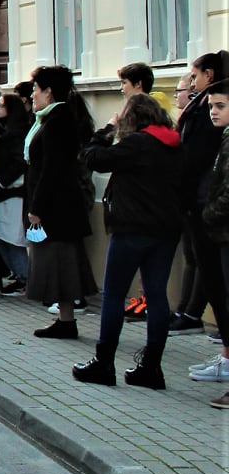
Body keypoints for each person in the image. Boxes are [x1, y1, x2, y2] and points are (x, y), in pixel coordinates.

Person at [72, 93, 184, 388]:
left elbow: (92, 158)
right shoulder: (174, 144)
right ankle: (151, 368)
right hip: (166, 231)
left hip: (132, 229)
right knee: (157, 295)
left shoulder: (137, 143)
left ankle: (104, 363)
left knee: (113, 294)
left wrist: (108, 130)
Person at [25, 64, 96, 338]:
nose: (32, 95)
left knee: (61, 265)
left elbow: (52, 170)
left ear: (49, 91)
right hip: (58, 206)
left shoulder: (57, 121)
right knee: (60, 266)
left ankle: (67, 322)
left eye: (35, 89)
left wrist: (37, 207)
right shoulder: (52, 119)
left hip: (58, 209)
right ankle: (65, 321)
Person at [171, 51, 229, 334]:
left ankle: (196, 316)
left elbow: (201, 159)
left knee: (214, 274)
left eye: (195, 76)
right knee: (201, 264)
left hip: (206, 206)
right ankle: (191, 313)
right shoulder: (201, 107)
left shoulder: (208, 113)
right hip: (198, 202)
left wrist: (206, 211)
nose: (192, 83)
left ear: (209, 75)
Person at [190, 80, 229, 407]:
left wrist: (208, 215)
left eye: (220, 106)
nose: (213, 112)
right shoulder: (224, 137)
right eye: (212, 106)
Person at [0, 92, 31, 294]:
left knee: (12, 236)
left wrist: (1, 181)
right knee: (1, 234)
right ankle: (18, 273)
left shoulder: (17, 133)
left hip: (13, 190)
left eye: (1, 105)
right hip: (3, 191)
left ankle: (24, 277)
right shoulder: (2, 130)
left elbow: (19, 162)